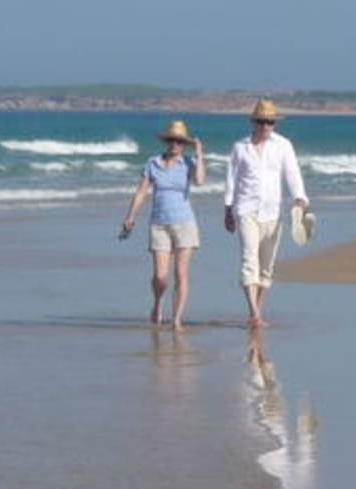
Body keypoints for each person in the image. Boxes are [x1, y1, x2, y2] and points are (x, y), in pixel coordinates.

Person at [221, 99, 309, 328]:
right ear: (253, 122)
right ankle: (254, 312)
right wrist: (228, 209)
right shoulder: (240, 147)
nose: (265, 126)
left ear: (274, 124)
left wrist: (300, 198)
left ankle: (257, 312)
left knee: (266, 266)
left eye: (270, 122)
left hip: (273, 212)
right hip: (246, 210)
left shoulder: (283, 145)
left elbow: (292, 173)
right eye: (261, 122)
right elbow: (232, 180)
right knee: (249, 260)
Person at [120, 121, 205, 327]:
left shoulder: (188, 163)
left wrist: (199, 154)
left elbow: (200, 181)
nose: (175, 144)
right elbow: (141, 192)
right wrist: (130, 216)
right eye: (172, 140)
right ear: (167, 142)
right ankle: (158, 303)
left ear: (184, 145)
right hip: (159, 224)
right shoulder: (153, 163)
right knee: (160, 276)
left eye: (180, 141)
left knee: (181, 274)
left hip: (184, 223)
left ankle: (176, 319)